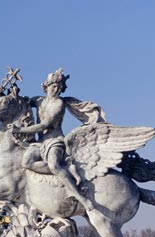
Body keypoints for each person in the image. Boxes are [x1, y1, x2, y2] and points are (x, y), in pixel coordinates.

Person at [9, 68, 103, 212]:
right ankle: (65, 170)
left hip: (55, 141)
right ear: (46, 87)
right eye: (54, 86)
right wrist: (11, 92)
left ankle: (79, 196)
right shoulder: (38, 100)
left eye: (59, 88)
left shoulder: (59, 104)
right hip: (40, 143)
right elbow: (22, 102)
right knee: (25, 162)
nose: (56, 90)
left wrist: (20, 130)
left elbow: (44, 125)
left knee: (53, 166)